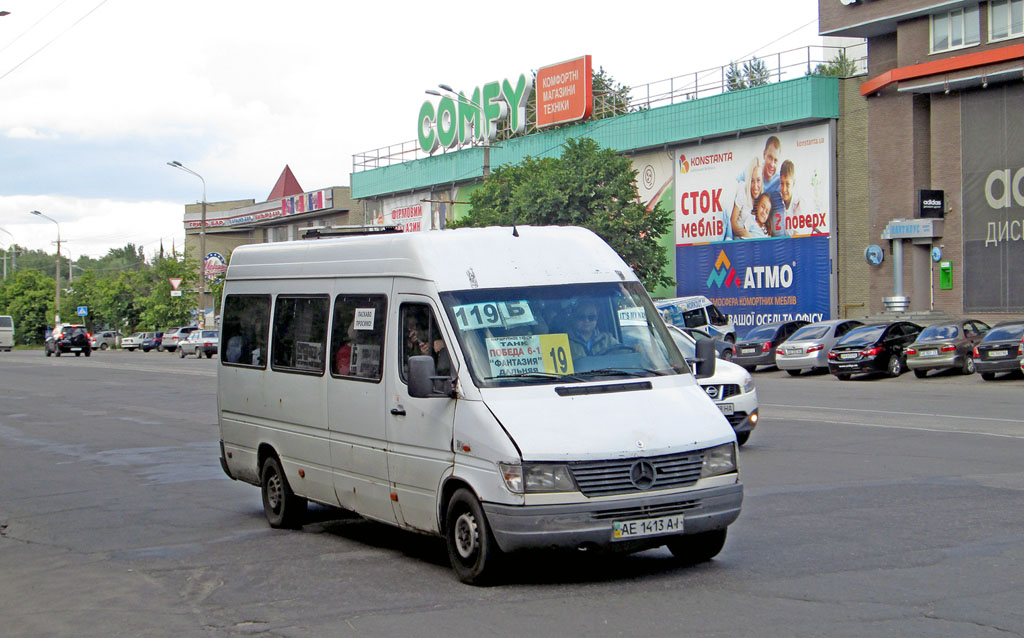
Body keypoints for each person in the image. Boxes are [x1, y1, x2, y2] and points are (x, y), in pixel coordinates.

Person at [731, 156, 764, 239]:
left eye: (758, 180)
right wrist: (748, 236)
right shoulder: (743, 190)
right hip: (742, 239)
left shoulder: (763, 198)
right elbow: (733, 222)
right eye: (752, 181)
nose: (756, 186)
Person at [769, 160, 804, 237]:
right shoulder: (778, 201)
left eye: (787, 184)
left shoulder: (798, 204)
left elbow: (797, 236)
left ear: (793, 183)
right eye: (782, 183)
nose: (784, 189)